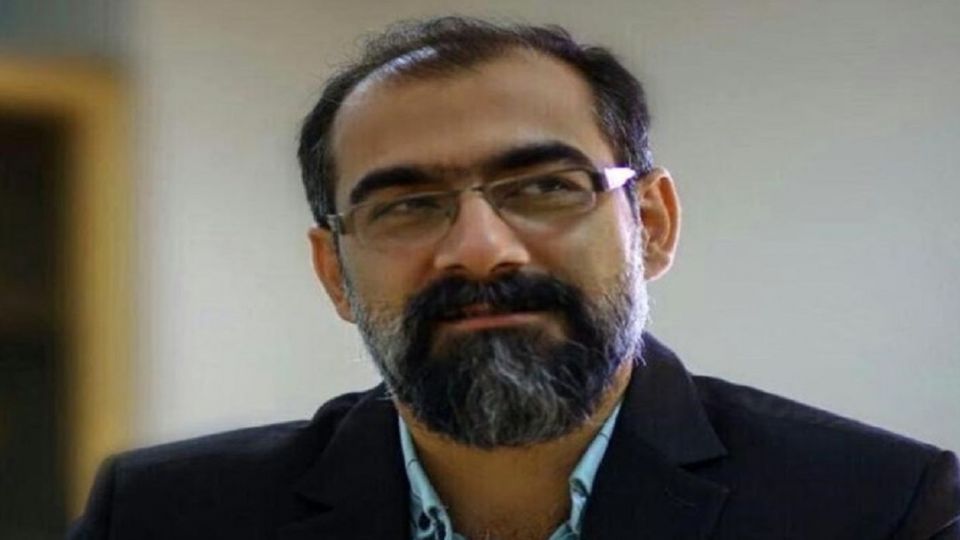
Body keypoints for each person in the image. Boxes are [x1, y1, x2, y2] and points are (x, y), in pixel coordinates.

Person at [70, 16, 959, 539]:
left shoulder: (879, 509)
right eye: (407, 205)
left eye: (544, 188)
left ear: (650, 225)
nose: (480, 249)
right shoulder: (162, 517)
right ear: (334, 271)